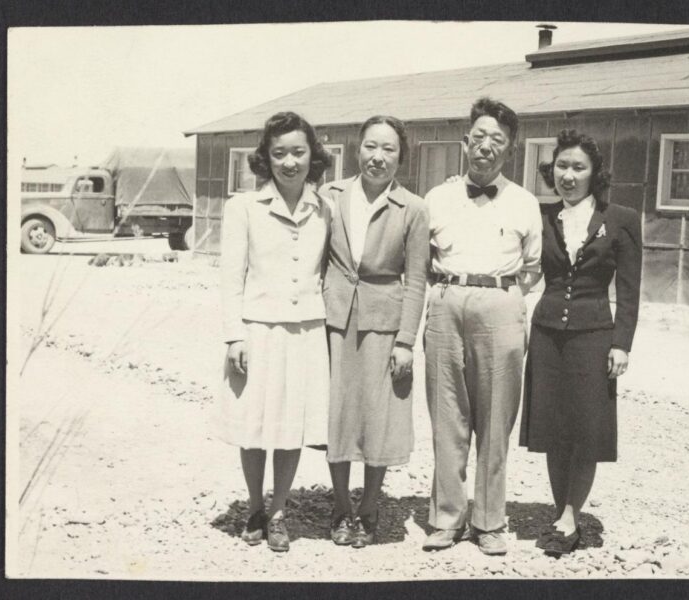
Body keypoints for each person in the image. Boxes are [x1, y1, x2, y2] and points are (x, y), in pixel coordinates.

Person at [422, 97, 542, 556]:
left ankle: (490, 521)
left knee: (495, 421)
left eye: (498, 140)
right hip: (446, 303)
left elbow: (532, 266)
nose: (486, 147)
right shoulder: (437, 197)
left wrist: (502, 300)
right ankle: (446, 518)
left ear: (509, 151)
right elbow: (420, 260)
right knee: (447, 415)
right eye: (479, 137)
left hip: (500, 304)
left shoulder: (526, 203)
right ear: (464, 142)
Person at [519, 128, 642, 555]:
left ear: (595, 173)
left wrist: (621, 343)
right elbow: (522, 269)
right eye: (562, 166)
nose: (568, 175)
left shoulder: (621, 219)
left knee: (586, 429)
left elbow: (629, 290)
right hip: (547, 333)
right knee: (553, 428)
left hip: (594, 336)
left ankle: (571, 516)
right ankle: (561, 512)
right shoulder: (540, 215)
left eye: (578, 167)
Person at [215, 111, 334, 553]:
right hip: (257, 330)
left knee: (291, 426)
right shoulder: (241, 207)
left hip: (305, 331)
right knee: (254, 425)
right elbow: (231, 276)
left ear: (312, 156)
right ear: (266, 158)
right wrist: (234, 336)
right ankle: (254, 507)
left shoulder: (324, 207)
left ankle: (279, 511)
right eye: (279, 153)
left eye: (298, 152)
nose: (289, 162)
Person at [320, 115, 429, 548]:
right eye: (370, 146)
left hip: (385, 321)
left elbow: (417, 279)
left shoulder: (414, 208)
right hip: (334, 317)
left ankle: (369, 507)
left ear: (400, 157)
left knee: (378, 415)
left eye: (388, 149)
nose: (377, 157)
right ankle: (341, 506)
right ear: (356, 149)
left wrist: (405, 341)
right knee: (339, 413)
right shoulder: (330, 196)